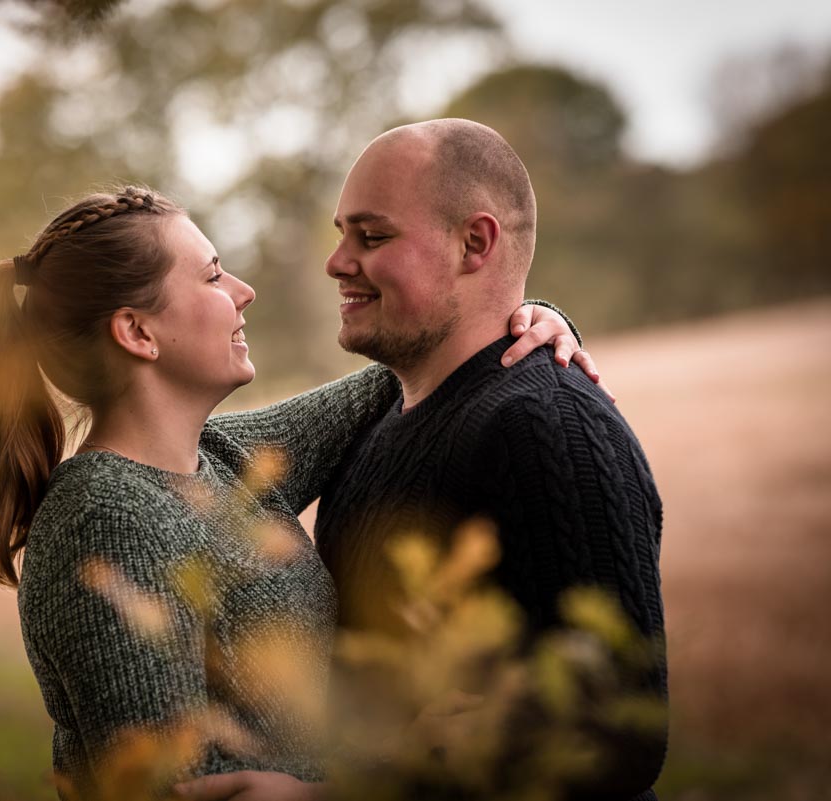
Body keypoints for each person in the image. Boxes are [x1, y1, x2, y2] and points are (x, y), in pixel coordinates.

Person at [0, 186, 597, 801]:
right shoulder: (106, 520)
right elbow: (176, 786)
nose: (244, 290)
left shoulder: (217, 460)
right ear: (137, 332)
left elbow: (409, 367)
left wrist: (530, 319)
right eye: (212, 276)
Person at [178, 121, 667, 801]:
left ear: (475, 243)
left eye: (372, 237)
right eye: (342, 234)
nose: (336, 262)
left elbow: (616, 733)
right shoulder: (383, 415)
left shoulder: (547, 427)